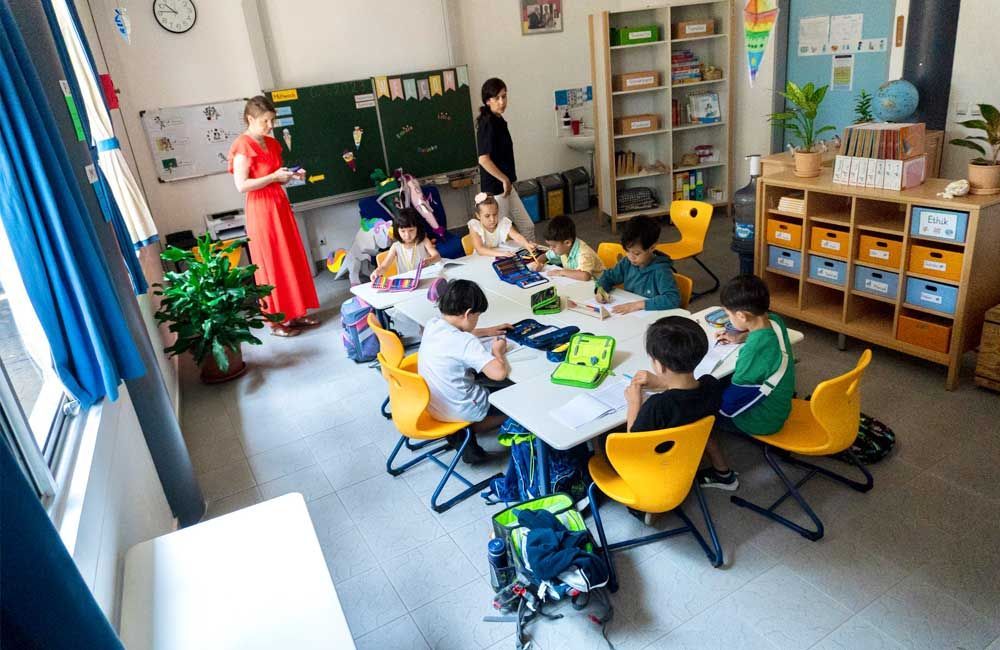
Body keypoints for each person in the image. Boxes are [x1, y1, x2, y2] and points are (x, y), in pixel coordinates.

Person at [228, 95, 319, 338]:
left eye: (272, 120)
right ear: (250, 119)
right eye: (266, 121)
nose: (271, 126)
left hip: (279, 203)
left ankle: (296, 312)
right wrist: (273, 178)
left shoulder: (272, 144)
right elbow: (242, 185)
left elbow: (276, 174)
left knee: (290, 256)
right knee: (271, 262)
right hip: (261, 208)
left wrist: (291, 175)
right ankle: (276, 321)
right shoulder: (242, 145)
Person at [698, 275, 796, 490]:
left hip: (763, 419)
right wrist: (740, 337)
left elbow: (730, 403)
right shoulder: (774, 321)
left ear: (742, 316)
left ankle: (722, 475)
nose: (728, 319)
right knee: (721, 381)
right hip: (781, 401)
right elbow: (760, 340)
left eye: (728, 315)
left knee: (696, 411)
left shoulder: (753, 352)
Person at [625, 316, 723, 523]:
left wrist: (634, 402)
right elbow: (685, 393)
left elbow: (632, 442)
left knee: (602, 442)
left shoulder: (658, 406)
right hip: (688, 454)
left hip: (654, 460)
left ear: (659, 366)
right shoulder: (711, 385)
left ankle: (644, 507)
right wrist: (662, 382)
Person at [418, 279, 513, 464]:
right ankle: (467, 430)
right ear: (468, 314)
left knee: (477, 377)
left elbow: (459, 333)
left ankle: (461, 432)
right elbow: (498, 373)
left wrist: (487, 331)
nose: (477, 320)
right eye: (477, 316)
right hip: (464, 408)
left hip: (434, 404)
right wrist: (497, 352)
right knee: (514, 396)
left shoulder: (433, 324)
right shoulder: (465, 343)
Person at [476, 78, 536, 241]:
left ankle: (533, 261)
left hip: (506, 185)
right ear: (488, 101)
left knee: (527, 227)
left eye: (504, 96)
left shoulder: (499, 120)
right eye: (497, 98)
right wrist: (503, 179)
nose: (502, 102)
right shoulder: (487, 124)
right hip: (495, 190)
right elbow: (483, 159)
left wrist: (507, 181)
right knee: (500, 235)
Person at [594, 215, 679, 314]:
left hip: (651, 318)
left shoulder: (661, 271)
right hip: (630, 316)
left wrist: (637, 305)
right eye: (627, 251)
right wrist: (600, 289)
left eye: (636, 253)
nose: (631, 257)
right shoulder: (627, 262)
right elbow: (609, 277)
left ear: (652, 247)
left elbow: (673, 299)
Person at [529, 215, 603, 281]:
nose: (551, 248)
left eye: (553, 246)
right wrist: (538, 263)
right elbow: (545, 256)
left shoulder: (584, 253)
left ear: (567, 243)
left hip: (600, 287)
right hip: (579, 284)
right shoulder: (563, 248)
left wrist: (561, 272)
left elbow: (585, 276)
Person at [373, 208, 440, 277]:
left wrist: (429, 261)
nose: (407, 235)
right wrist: (377, 271)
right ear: (397, 231)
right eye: (403, 231)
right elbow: (384, 266)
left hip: (425, 277)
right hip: (405, 283)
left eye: (411, 230)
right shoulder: (395, 247)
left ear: (418, 228)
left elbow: (437, 256)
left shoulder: (424, 241)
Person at [467, 192, 537, 257]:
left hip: (497, 256)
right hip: (480, 259)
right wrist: (502, 254)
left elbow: (516, 236)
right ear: (478, 215)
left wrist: (526, 244)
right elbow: (480, 250)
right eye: (487, 216)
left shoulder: (503, 222)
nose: (492, 219)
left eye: (495, 214)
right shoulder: (475, 226)